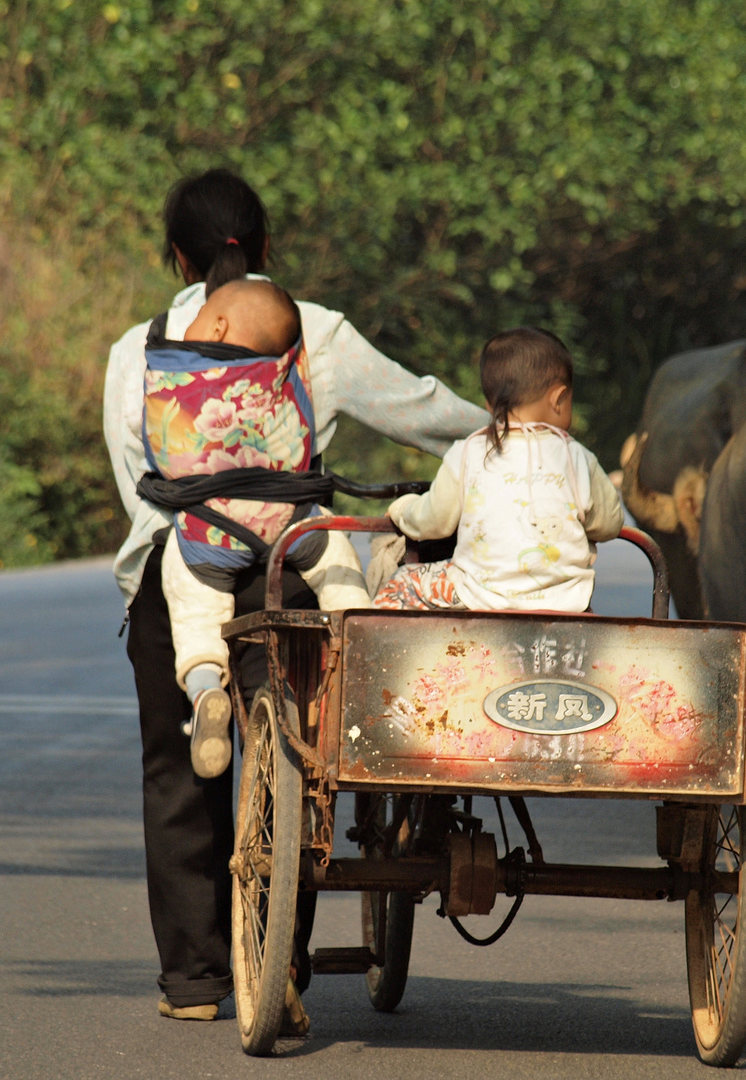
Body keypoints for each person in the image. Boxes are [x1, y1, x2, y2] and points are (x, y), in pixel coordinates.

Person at [102, 168, 487, 1025]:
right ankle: (272, 962)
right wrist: (519, 430)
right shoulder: (318, 333)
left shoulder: (137, 350)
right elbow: (428, 413)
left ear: (179, 258)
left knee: (175, 775)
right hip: (294, 563)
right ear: (267, 249)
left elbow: (140, 484)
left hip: (181, 567)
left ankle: (195, 983)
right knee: (301, 768)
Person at [143, 278, 370, 780]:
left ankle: (205, 687)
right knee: (336, 560)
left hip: (212, 530)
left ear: (218, 325)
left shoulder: (177, 376)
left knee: (193, 604)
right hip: (289, 520)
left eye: (202, 321)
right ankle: (361, 645)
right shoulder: (283, 375)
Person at [374, 327, 624, 611]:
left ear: (489, 404)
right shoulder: (577, 458)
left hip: (477, 597)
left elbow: (434, 521)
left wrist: (402, 509)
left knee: (401, 584)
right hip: (565, 603)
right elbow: (610, 523)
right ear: (559, 399)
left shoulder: (468, 452)